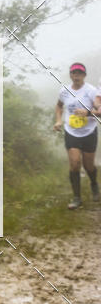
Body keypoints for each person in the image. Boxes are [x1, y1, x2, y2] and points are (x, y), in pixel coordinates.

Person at [54, 63, 99, 209]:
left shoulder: (92, 91)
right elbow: (59, 106)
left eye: (79, 73)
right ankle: (77, 198)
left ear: (84, 75)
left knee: (88, 166)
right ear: (70, 75)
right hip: (71, 131)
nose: (76, 76)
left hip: (89, 132)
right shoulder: (64, 91)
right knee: (74, 164)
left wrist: (88, 113)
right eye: (74, 73)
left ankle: (93, 183)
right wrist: (59, 120)